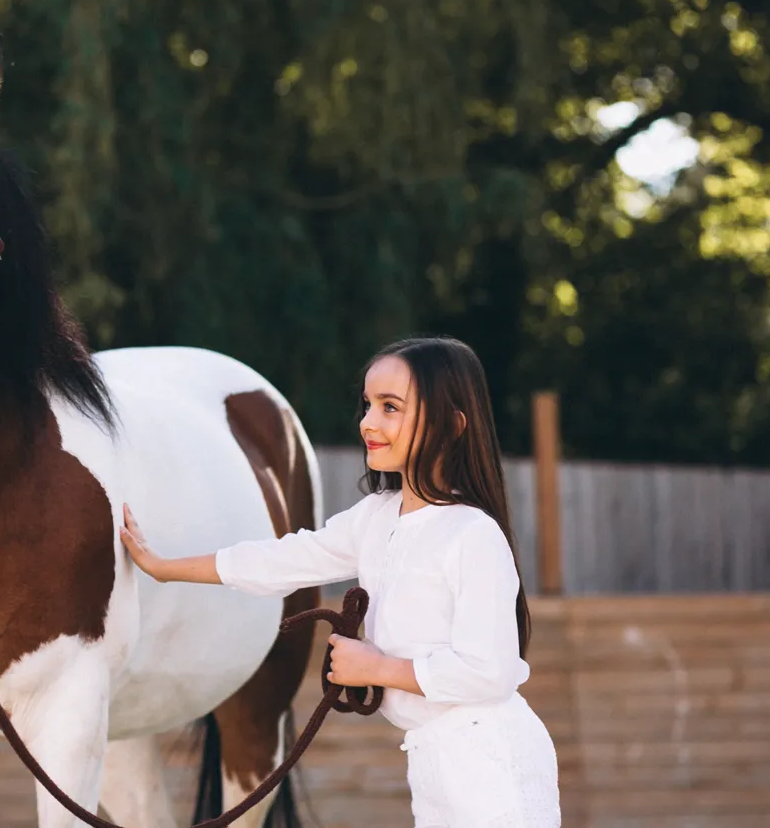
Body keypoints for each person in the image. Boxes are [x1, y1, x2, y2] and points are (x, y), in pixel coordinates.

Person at [119, 336, 561, 828]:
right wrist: (164, 567)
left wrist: (377, 666)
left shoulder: (473, 534)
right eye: (368, 405)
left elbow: (490, 673)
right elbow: (279, 560)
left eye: (390, 408)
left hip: (491, 762)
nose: (368, 423)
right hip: (434, 760)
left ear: (452, 425)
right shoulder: (377, 517)